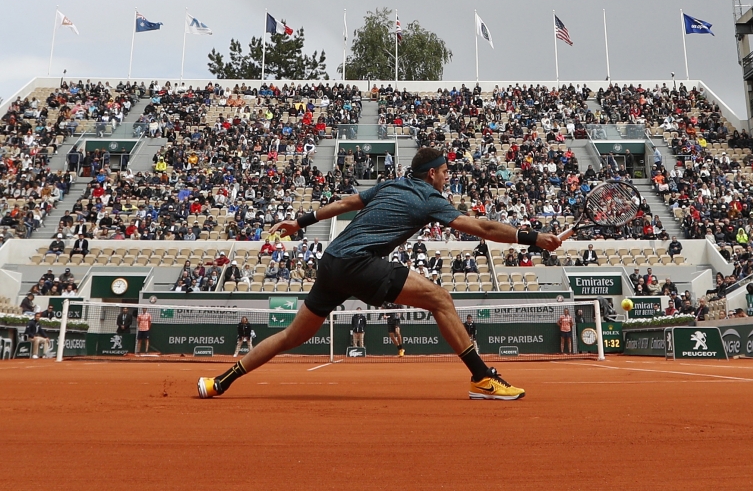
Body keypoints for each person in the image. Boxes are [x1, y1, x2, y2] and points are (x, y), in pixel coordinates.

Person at [198, 147, 561, 401]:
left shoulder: (390, 185)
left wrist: (300, 222)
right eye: (446, 172)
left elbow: (345, 203)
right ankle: (482, 378)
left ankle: (220, 382)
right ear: (432, 173)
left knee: (292, 336)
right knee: (440, 299)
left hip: (332, 261)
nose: (448, 177)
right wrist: (532, 237)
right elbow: (479, 226)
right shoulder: (429, 197)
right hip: (357, 262)